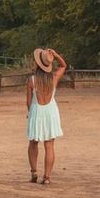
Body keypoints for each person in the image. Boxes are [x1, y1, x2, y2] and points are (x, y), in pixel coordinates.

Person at [26, 46, 67, 185]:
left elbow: (28, 102)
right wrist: (55, 55)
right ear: (48, 64)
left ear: (38, 63)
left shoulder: (32, 80)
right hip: (50, 112)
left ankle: (34, 173)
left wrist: (29, 114)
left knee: (33, 143)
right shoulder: (54, 78)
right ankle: (47, 177)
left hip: (37, 111)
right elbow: (63, 65)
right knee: (49, 146)